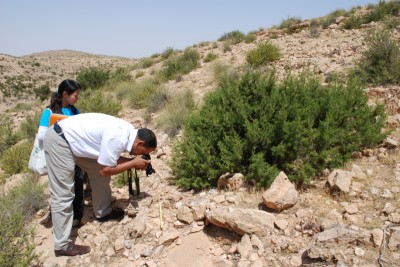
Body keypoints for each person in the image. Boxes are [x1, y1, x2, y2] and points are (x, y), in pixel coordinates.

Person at [43, 112, 157, 257]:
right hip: (60, 141)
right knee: (63, 194)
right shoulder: (117, 137)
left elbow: (110, 159)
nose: (140, 155)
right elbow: (106, 170)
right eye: (143, 152)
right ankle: (62, 245)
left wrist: (132, 163)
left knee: (97, 171)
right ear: (139, 143)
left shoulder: (129, 133)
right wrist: (132, 163)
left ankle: (103, 213)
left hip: (75, 142)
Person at [37, 79, 85, 227]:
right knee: (61, 190)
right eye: (75, 95)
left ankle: (76, 215)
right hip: (57, 158)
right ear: (65, 94)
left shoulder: (75, 111)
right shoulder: (49, 112)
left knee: (77, 184)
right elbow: (41, 135)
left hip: (74, 155)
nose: (77, 98)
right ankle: (60, 220)